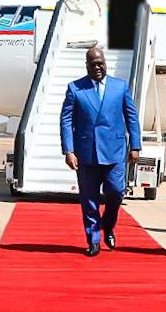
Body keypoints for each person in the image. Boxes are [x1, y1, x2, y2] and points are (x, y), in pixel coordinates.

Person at [61, 46, 142, 257]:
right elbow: (66, 120)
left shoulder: (120, 87)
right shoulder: (75, 88)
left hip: (114, 152)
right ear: (86, 65)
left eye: (100, 63)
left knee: (116, 192)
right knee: (89, 199)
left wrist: (135, 145)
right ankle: (94, 240)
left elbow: (131, 117)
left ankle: (108, 224)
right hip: (86, 153)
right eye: (93, 64)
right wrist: (68, 150)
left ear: (105, 63)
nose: (97, 67)